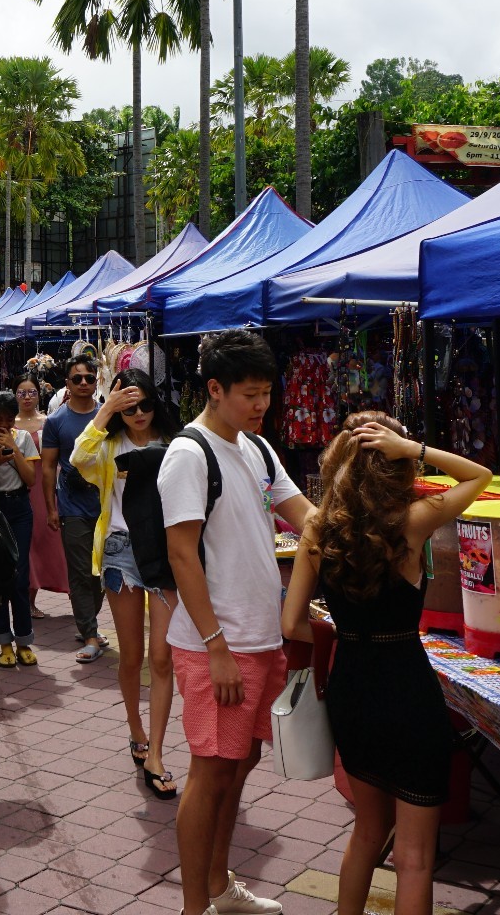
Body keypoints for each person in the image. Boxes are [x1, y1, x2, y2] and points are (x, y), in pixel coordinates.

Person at [282, 414, 491, 915]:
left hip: (351, 689)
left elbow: (292, 625)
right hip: (407, 689)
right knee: (414, 858)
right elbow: (479, 476)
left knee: (366, 833)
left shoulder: (317, 528)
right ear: (395, 467)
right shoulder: (412, 521)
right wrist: (414, 448)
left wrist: (340, 629)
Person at [161, 331, 315, 915]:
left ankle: (220, 887)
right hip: (216, 644)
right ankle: (193, 907)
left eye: (267, 393)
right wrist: (216, 645)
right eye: (250, 394)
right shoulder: (188, 453)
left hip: (262, 635)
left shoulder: (259, 450)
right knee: (209, 772)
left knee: (238, 765)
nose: (261, 405)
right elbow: (181, 555)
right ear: (215, 389)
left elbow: (306, 519)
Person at [70, 368, 180, 799]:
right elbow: (79, 459)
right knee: (132, 654)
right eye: (128, 407)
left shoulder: (175, 445)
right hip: (121, 552)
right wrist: (106, 410)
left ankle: (155, 751)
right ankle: (136, 728)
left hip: (170, 554)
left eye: (144, 404)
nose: (138, 413)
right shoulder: (109, 445)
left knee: (163, 657)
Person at [41, 354, 109, 662]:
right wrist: (51, 507)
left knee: (104, 572)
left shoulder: (107, 417)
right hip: (73, 506)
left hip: (107, 506)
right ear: (67, 383)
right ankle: (91, 634)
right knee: (81, 572)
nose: (84, 383)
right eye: (77, 378)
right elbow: (48, 467)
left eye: (89, 378)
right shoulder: (56, 421)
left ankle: (87, 623)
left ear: (97, 382)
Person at [0, 390, 39, 671]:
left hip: (20, 508)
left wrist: (13, 449)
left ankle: (24, 641)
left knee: (20, 575)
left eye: (9, 419)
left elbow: (31, 479)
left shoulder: (22, 438)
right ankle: (3, 643)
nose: (3, 425)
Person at [16, 374, 70, 610]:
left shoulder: (48, 422)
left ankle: (67, 597)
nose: (27, 397)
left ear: (39, 395)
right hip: (18, 487)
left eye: (32, 392)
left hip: (44, 487)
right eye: (21, 392)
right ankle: (28, 600)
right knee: (26, 545)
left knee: (47, 541)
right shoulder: (9, 424)